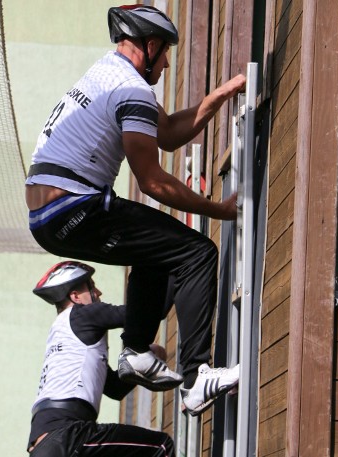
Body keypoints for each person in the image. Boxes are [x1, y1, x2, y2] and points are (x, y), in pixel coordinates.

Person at [25, 5, 243, 415]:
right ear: (151, 45)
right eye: (164, 56)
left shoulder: (107, 73)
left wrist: (219, 97)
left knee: (154, 251)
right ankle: (196, 379)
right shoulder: (133, 90)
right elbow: (154, 182)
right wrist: (219, 210)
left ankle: (137, 352)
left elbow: (167, 135)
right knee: (197, 253)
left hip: (51, 213)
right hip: (72, 205)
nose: (164, 66)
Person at [27, 261, 175, 456]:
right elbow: (144, 313)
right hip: (68, 436)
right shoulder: (82, 314)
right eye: (91, 286)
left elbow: (115, 389)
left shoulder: (68, 340)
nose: (98, 292)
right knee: (161, 446)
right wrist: (178, 269)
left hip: (44, 446)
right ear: (76, 296)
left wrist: (145, 356)